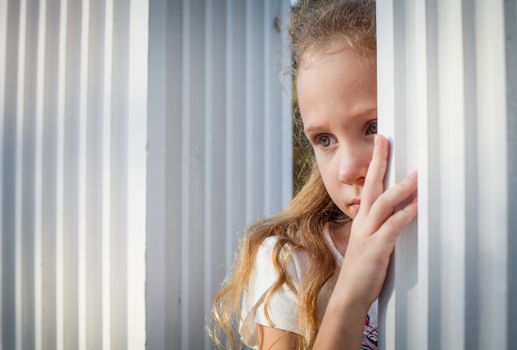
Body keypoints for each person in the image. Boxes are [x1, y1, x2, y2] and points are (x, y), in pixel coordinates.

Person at [210, 1, 418, 349]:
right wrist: (350, 295)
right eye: (325, 140)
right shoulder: (291, 261)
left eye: (373, 126)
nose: (348, 169)